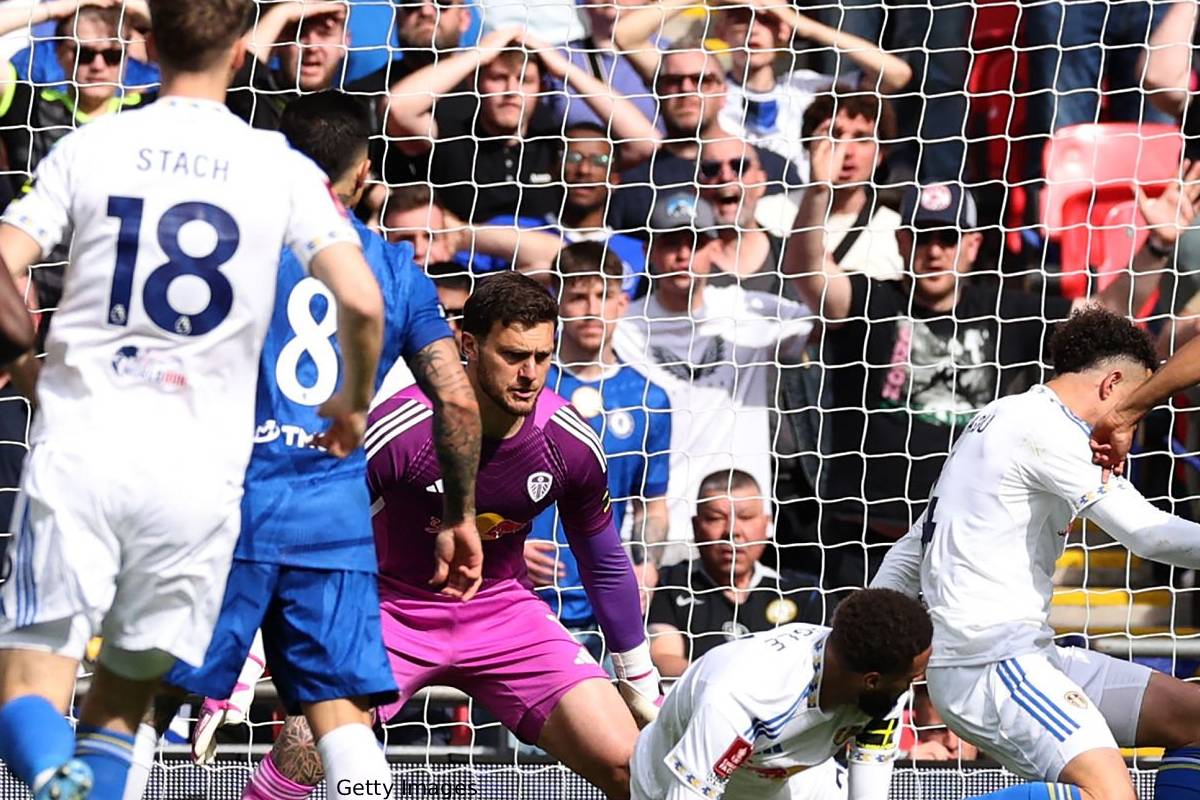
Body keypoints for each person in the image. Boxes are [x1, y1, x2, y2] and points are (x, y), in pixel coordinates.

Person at [0, 1, 388, 798]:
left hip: (85, 447)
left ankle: (53, 782)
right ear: (245, 50)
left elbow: (3, 262)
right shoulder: (277, 163)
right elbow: (362, 301)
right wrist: (351, 404)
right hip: (200, 478)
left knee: (29, 690)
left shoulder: (93, 143)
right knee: (121, 708)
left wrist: (30, 367)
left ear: (144, 44)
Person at [120, 91, 482, 800]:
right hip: (333, 521)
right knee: (340, 718)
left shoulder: (225, 248)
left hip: (227, 506)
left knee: (143, 697)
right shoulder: (397, 271)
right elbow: (458, 398)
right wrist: (462, 514)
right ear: (363, 172)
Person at [221, 272, 664, 800]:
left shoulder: (566, 441)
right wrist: (243, 651)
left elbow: (603, 559)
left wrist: (637, 673)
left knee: (632, 768)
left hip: (504, 612)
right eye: (514, 355)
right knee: (305, 750)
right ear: (468, 345)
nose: (530, 375)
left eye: (543, 358)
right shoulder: (402, 429)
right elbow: (303, 533)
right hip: (387, 612)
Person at [785, 156, 1199, 589]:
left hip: (969, 536)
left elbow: (1107, 315)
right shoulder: (873, 300)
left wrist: (1156, 246)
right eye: (922, 236)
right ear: (902, 242)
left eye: (948, 237)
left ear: (972, 245)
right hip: (866, 535)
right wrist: (817, 191)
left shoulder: (1003, 310)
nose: (935, 250)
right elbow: (808, 273)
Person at [872, 308, 1200, 800]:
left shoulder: (999, 416)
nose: (1134, 424)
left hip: (1025, 657)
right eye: (1140, 405)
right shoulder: (1047, 429)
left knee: (1194, 719)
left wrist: (870, 621)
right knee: (1112, 797)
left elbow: (912, 546)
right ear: (1113, 385)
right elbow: (1149, 536)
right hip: (991, 665)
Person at [616, 190, 812, 553]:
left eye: (695, 242)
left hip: (738, 530)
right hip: (652, 530)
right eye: (670, 243)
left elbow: (831, 317)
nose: (682, 255)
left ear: (716, 249)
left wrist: (818, 190)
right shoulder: (621, 327)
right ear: (649, 252)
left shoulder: (749, 311)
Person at [630, 587, 932, 800]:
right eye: (910, 678)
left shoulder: (881, 684)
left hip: (793, 780)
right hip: (673, 784)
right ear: (871, 680)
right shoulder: (740, 698)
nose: (914, 684)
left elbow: (869, 789)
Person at [527, 242, 672, 662]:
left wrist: (647, 566)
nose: (591, 309)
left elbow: (652, 504)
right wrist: (508, 547)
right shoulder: (528, 386)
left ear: (623, 302)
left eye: (604, 295)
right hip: (527, 597)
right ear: (556, 303)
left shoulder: (649, 399)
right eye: (577, 296)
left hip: (606, 608)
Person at [612, 0, 910, 179]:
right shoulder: (700, 86)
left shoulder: (809, 87)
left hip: (800, 211)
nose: (753, 29)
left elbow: (897, 74)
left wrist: (802, 25)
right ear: (721, 31)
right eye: (741, 18)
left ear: (783, 31)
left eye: (766, 19)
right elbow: (625, 35)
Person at [383, 31, 661, 221]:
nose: (511, 91)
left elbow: (646, 141)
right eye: (499, 78)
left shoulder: (555, 145)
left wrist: (563, 69)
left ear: (541, 89)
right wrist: (478, 55)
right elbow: (397, 107)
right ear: (475, 83)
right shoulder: (451, 135)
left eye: (524, 80)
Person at [648, 470, 823, 678]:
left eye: (746, 517)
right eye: (715, 518)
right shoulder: (672, 583)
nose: (732, 531)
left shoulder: (804, 592)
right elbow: (663, 657)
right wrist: (727, 684)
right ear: (696, 526)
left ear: (767, 524)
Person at [473, 123, 650, 295]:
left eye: (599, 161)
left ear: (615, 180)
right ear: (552, 171)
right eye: (571, 157)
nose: (584, 169)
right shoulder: (505, 232)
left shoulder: (639, 253)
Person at [794, 93, 904, 281]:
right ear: (811, 143)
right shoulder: (770, 214)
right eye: (835, 135)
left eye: (861, 139)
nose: (847, 150)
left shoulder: (896, 231)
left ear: (880, 154)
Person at [226, 0, 348, 129]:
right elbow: (230, 76)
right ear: (277, 40)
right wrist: (282, 13)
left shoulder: (359, 109)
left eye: (324, 33)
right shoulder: (252, 102)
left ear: (345, 42)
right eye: (298, 33)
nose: (311, 47)